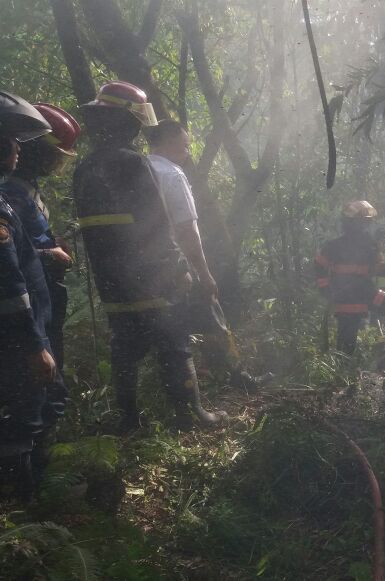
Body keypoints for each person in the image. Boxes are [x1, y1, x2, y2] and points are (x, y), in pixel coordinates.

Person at [72, 81, 225, 431]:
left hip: (111, 281)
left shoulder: (85, 168)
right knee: (175, 343)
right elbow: (154, 225)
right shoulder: (135, 164)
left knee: (125, 347)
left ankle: (128, 421)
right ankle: (190, 415)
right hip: (153, 277)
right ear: (128, 121)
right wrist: (180, 269)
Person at [144, 119, 266, 391]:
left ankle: (182, 386)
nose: (188, 151)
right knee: (212, 316)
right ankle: (236, 377)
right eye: (185, 145)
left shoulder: (140, 169)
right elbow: (187, 230)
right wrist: (204, 273)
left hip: (142, 268)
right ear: (170, 141)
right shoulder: (172, 174)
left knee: (161, 330)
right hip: (176, 265)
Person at [0, 90, 64, 499]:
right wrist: (36, 345)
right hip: (17, 341)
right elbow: (10, 287)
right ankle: (25, 514)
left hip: (18, 337)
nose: (18, 152)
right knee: (24, 420)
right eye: (10, 143)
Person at [0, 103, 79, 373]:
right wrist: (49, 255)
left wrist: (52, 242)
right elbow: (8, 259)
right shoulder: (9, 191)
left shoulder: (26, 187)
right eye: (54, 156)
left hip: (43, 292)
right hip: (27, 300)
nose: (56, 164)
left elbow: (26, 237)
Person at [315, 200, 385, 358]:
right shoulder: (334, 246)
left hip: (368, 293)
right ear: (351, 222)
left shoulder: (370, 245)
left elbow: (377, 267)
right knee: (346, 347)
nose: (366, 225)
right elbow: (319, 267)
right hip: (346, 300)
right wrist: (326, 289)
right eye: (362, 221)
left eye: (367, 221)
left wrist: (384, 270)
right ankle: (343, 377)